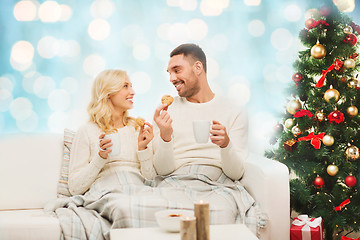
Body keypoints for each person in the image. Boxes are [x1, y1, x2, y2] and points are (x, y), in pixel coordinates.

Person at [153, 43, 248, 181]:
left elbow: (236, 174)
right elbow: (162, 171)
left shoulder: (233, 111)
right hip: (175, 182)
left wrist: (225, 144)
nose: (171, 79)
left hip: (217, 183)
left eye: (177, 70)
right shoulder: (165, 113)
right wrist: (165, 137)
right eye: (169, 73)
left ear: (198, 67)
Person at [68, 69, 156, 195]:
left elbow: (151, 181)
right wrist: (100, 157)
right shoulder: (87, 131)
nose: (132, 92)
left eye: (131, 86)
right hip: (107, 193)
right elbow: (75, 188)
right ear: (108, 93)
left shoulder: (138, 129)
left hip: (138, 192)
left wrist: (143, 149)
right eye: (125, 86)